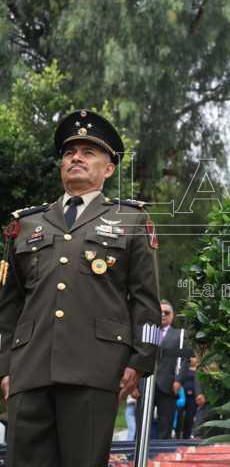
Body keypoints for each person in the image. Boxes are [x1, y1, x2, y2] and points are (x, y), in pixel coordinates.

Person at [0, 109, 162, 466]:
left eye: (89, 152)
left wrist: (140, 361)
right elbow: (9, 306)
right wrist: (5, 366)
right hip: (29, 371)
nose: (76, 157)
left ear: (108, 168)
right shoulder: (25, 224)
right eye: (70, 151)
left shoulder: (131, 220)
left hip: (96, 368)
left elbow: (145, 301)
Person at [137, 299, 187, 439]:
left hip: (168, 385)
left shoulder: (180, 335)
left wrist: (179, 380)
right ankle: (136, 457)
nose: (163, 315)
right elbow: (136, 356)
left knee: (165, 425)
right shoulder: (144, 332)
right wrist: (134, 385)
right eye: (160, 312)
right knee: (141, 424)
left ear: (172, 315)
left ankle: (162, 456)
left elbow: (184, 360)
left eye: (167, 312)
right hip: (145, 383)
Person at [174, 355, 198, 439]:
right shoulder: (183, 369)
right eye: (191, 357)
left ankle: (186, 436)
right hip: (183, 396)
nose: (192, 359)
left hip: (193, 397)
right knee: (179, 416)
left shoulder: (198, 370)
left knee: (189, 418)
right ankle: (177, 434)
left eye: (194, 358)